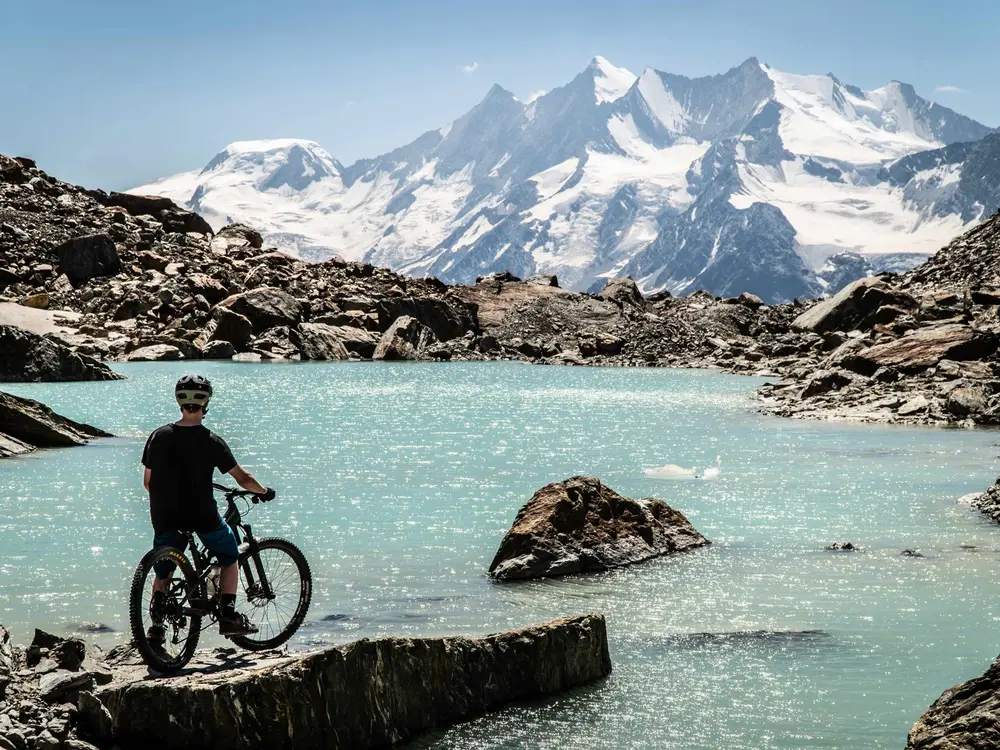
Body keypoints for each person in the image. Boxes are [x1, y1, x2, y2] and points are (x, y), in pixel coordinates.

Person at [141, 374, 275, 640]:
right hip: (202, 516)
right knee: (229, 555)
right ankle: (228, 615)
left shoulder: (158, 436)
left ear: (179, 402)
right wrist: (264, 491)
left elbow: (148, 482)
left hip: (164, 515)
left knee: (164, 568)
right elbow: (242, 478)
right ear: (206, 403)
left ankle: (156, 628)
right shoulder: (211, 441)